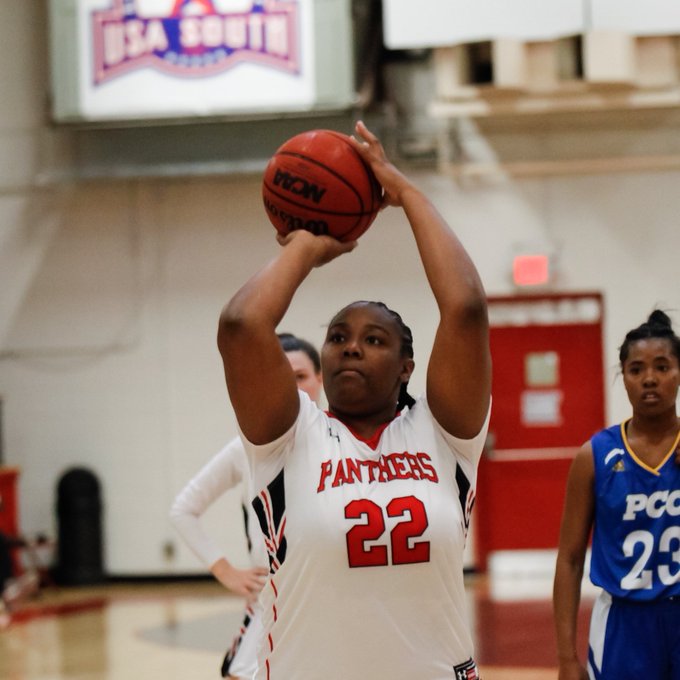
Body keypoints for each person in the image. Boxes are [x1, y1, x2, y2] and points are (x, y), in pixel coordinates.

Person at [217, 120, 492, 679]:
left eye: (373, 340)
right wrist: (305, 247)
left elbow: (465, 309)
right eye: (338, 338)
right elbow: (243, 325)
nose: (350, 350)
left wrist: (407, 192)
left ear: (406, 366)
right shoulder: (290, 437)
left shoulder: (444, 435)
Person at [169, 333, 323, 680]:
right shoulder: (247, 447)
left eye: (300, 376)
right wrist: (224, 569)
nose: (294, 387)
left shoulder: (342, 439)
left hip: (328, 599)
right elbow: (184, 509)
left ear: (320, 379)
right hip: (271, 599)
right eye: (282, 377)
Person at [553, 309, 680, 680]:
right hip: (624, 622)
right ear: (622, 377)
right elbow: (570, 559)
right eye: (636, 369)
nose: (650, 379)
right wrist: (565, 657)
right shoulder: (595, 455)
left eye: (662, 366)